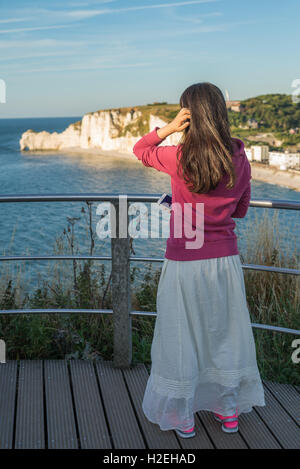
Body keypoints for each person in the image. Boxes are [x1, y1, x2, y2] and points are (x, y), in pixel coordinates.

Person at [132, 82, 265, 439]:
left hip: (184, 261)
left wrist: (170, 128)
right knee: (225, 334)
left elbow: (141, 149)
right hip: (223, 262)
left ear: (189, 116)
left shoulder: (178, 157)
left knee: (180, 335)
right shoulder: (238, 156)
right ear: (221, 113)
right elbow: (240, 210)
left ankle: (183, 417)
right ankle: (229, 412)